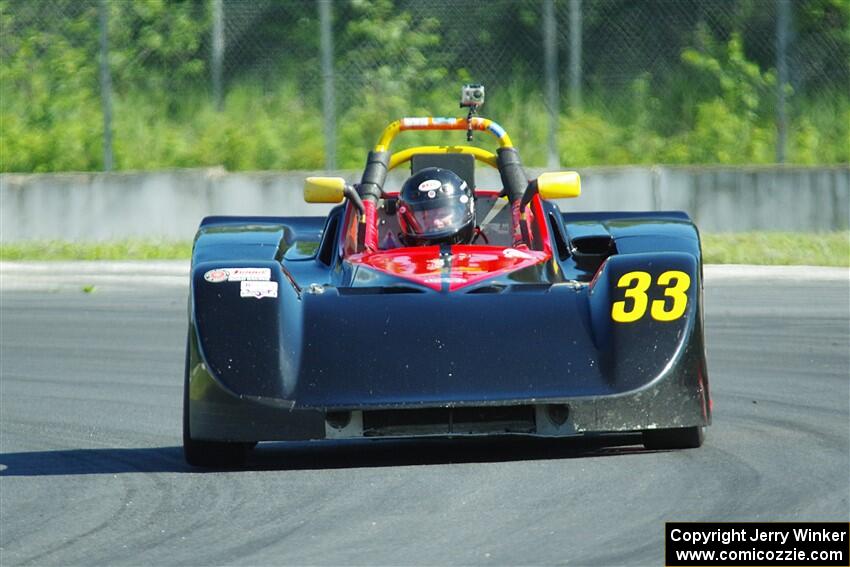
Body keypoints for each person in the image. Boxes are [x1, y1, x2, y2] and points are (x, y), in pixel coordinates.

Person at [396, 167, 475, 246]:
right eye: (426, 217)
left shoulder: (485, 255)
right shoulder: (391, 257)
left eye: (442, 215)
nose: (435, 222)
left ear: (461, 213)